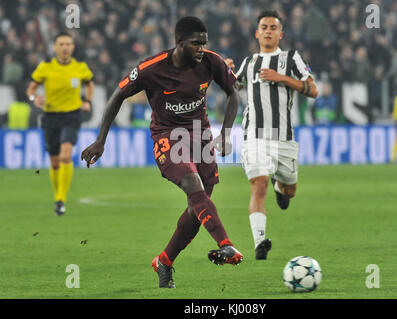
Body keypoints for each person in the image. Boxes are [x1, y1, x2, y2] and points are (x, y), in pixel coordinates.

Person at [80, 17, 243, 288]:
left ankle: (164, 262)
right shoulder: (151, 69)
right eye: (196, 43)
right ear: (179, 43)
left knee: (198, 204)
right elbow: (117, 96)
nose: (202, 48)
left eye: (204, 43)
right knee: (194, 186)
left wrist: (225, 133)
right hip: (168, 136)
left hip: (200, 134)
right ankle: (225, 244)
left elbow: (233, 93)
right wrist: (100, 140)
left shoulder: (212, 62)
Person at [225, 10, 318, 260]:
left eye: (272, 27)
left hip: (283, 138)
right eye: (263, 27)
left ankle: (281, 187)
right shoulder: (249, 63)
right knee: (258, 184)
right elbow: (232, 87)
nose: (268, 31)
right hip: (253, 135)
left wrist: (282, 78)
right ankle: (259, 242)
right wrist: (224, 71)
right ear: (257, 33)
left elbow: (313, 90)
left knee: (290, 191)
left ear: (280, 34)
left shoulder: (292, 59)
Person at [26, 32, 94, 216]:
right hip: (50, 117)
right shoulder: (45, 67)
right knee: (55, 162)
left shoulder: (80, 67)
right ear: (55, 47)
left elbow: (89, 84)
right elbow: (31, 88)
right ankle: (58, 196)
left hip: (72, 116)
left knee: (65, 156)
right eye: (61, 44)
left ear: (72, 47)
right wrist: (34, 98)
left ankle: (60, 200)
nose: (65, 47)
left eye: (68, 44)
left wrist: (87, 101)